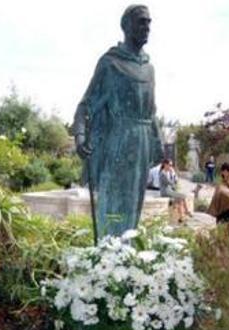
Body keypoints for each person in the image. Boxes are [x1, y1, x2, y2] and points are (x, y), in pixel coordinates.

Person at [72, 4, 164, 242]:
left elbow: (152, 111)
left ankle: (127, 258)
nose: (147, 27)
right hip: (119, 142)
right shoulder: (110, 63)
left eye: (149, 22)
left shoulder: (150, 68)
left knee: (134, 206)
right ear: (126, 26)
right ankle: (108, 256)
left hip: (142, 145)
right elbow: (85, 105)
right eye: (142, 22)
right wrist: (80, 136)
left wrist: (158, 140)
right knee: (113, 204)